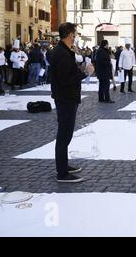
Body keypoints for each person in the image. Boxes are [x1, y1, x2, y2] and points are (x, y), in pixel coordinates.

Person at [50, 23, 94, 183]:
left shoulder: (65, 51)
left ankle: (64, 165)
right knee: (64, 134)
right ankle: (62, 173)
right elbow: (65, 79)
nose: (76, 36)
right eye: (75, 34)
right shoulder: (61, 53)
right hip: (65, 98)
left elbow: (70, 72)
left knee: (66, 134)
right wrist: (85, 72)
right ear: (70, 35)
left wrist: (79, 61)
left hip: (67, 98)